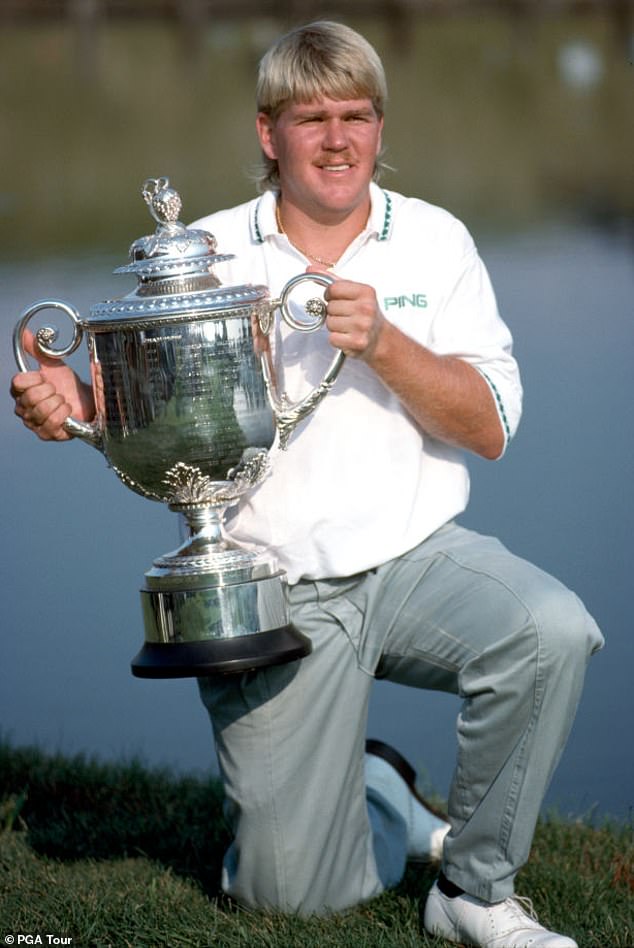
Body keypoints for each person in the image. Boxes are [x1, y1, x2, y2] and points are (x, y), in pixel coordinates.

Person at [11, 21, 603, 948]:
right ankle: (385, 797)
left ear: (379, 124)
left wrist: (386, 345)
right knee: (292, 901)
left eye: (358, 115)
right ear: (266, 133)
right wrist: (73, 402)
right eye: (312, 117)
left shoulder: (437, 242)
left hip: (416, 560)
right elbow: (142, 411)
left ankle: (475, 890)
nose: (339, 140)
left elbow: (487, 429)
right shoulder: (204, 251)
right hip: (267, 587)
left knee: (552, 632)